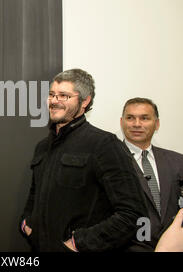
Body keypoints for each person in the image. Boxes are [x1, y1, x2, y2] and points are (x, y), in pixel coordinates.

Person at [20, 68, 148, 252]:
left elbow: (132, 213)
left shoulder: (104, 144)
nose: (54, 101)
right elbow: (35, 194)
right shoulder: (42, 146)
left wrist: (79, 243)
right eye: (52, 95)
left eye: (63, 96)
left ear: (85, 101)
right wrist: (27, 224)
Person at [120, 97, 183, 251]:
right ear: (122, 122)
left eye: (144, 118)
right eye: (130, 118)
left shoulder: (177, 161)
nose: (136, 124)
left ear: (157, 124)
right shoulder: (108, 160)